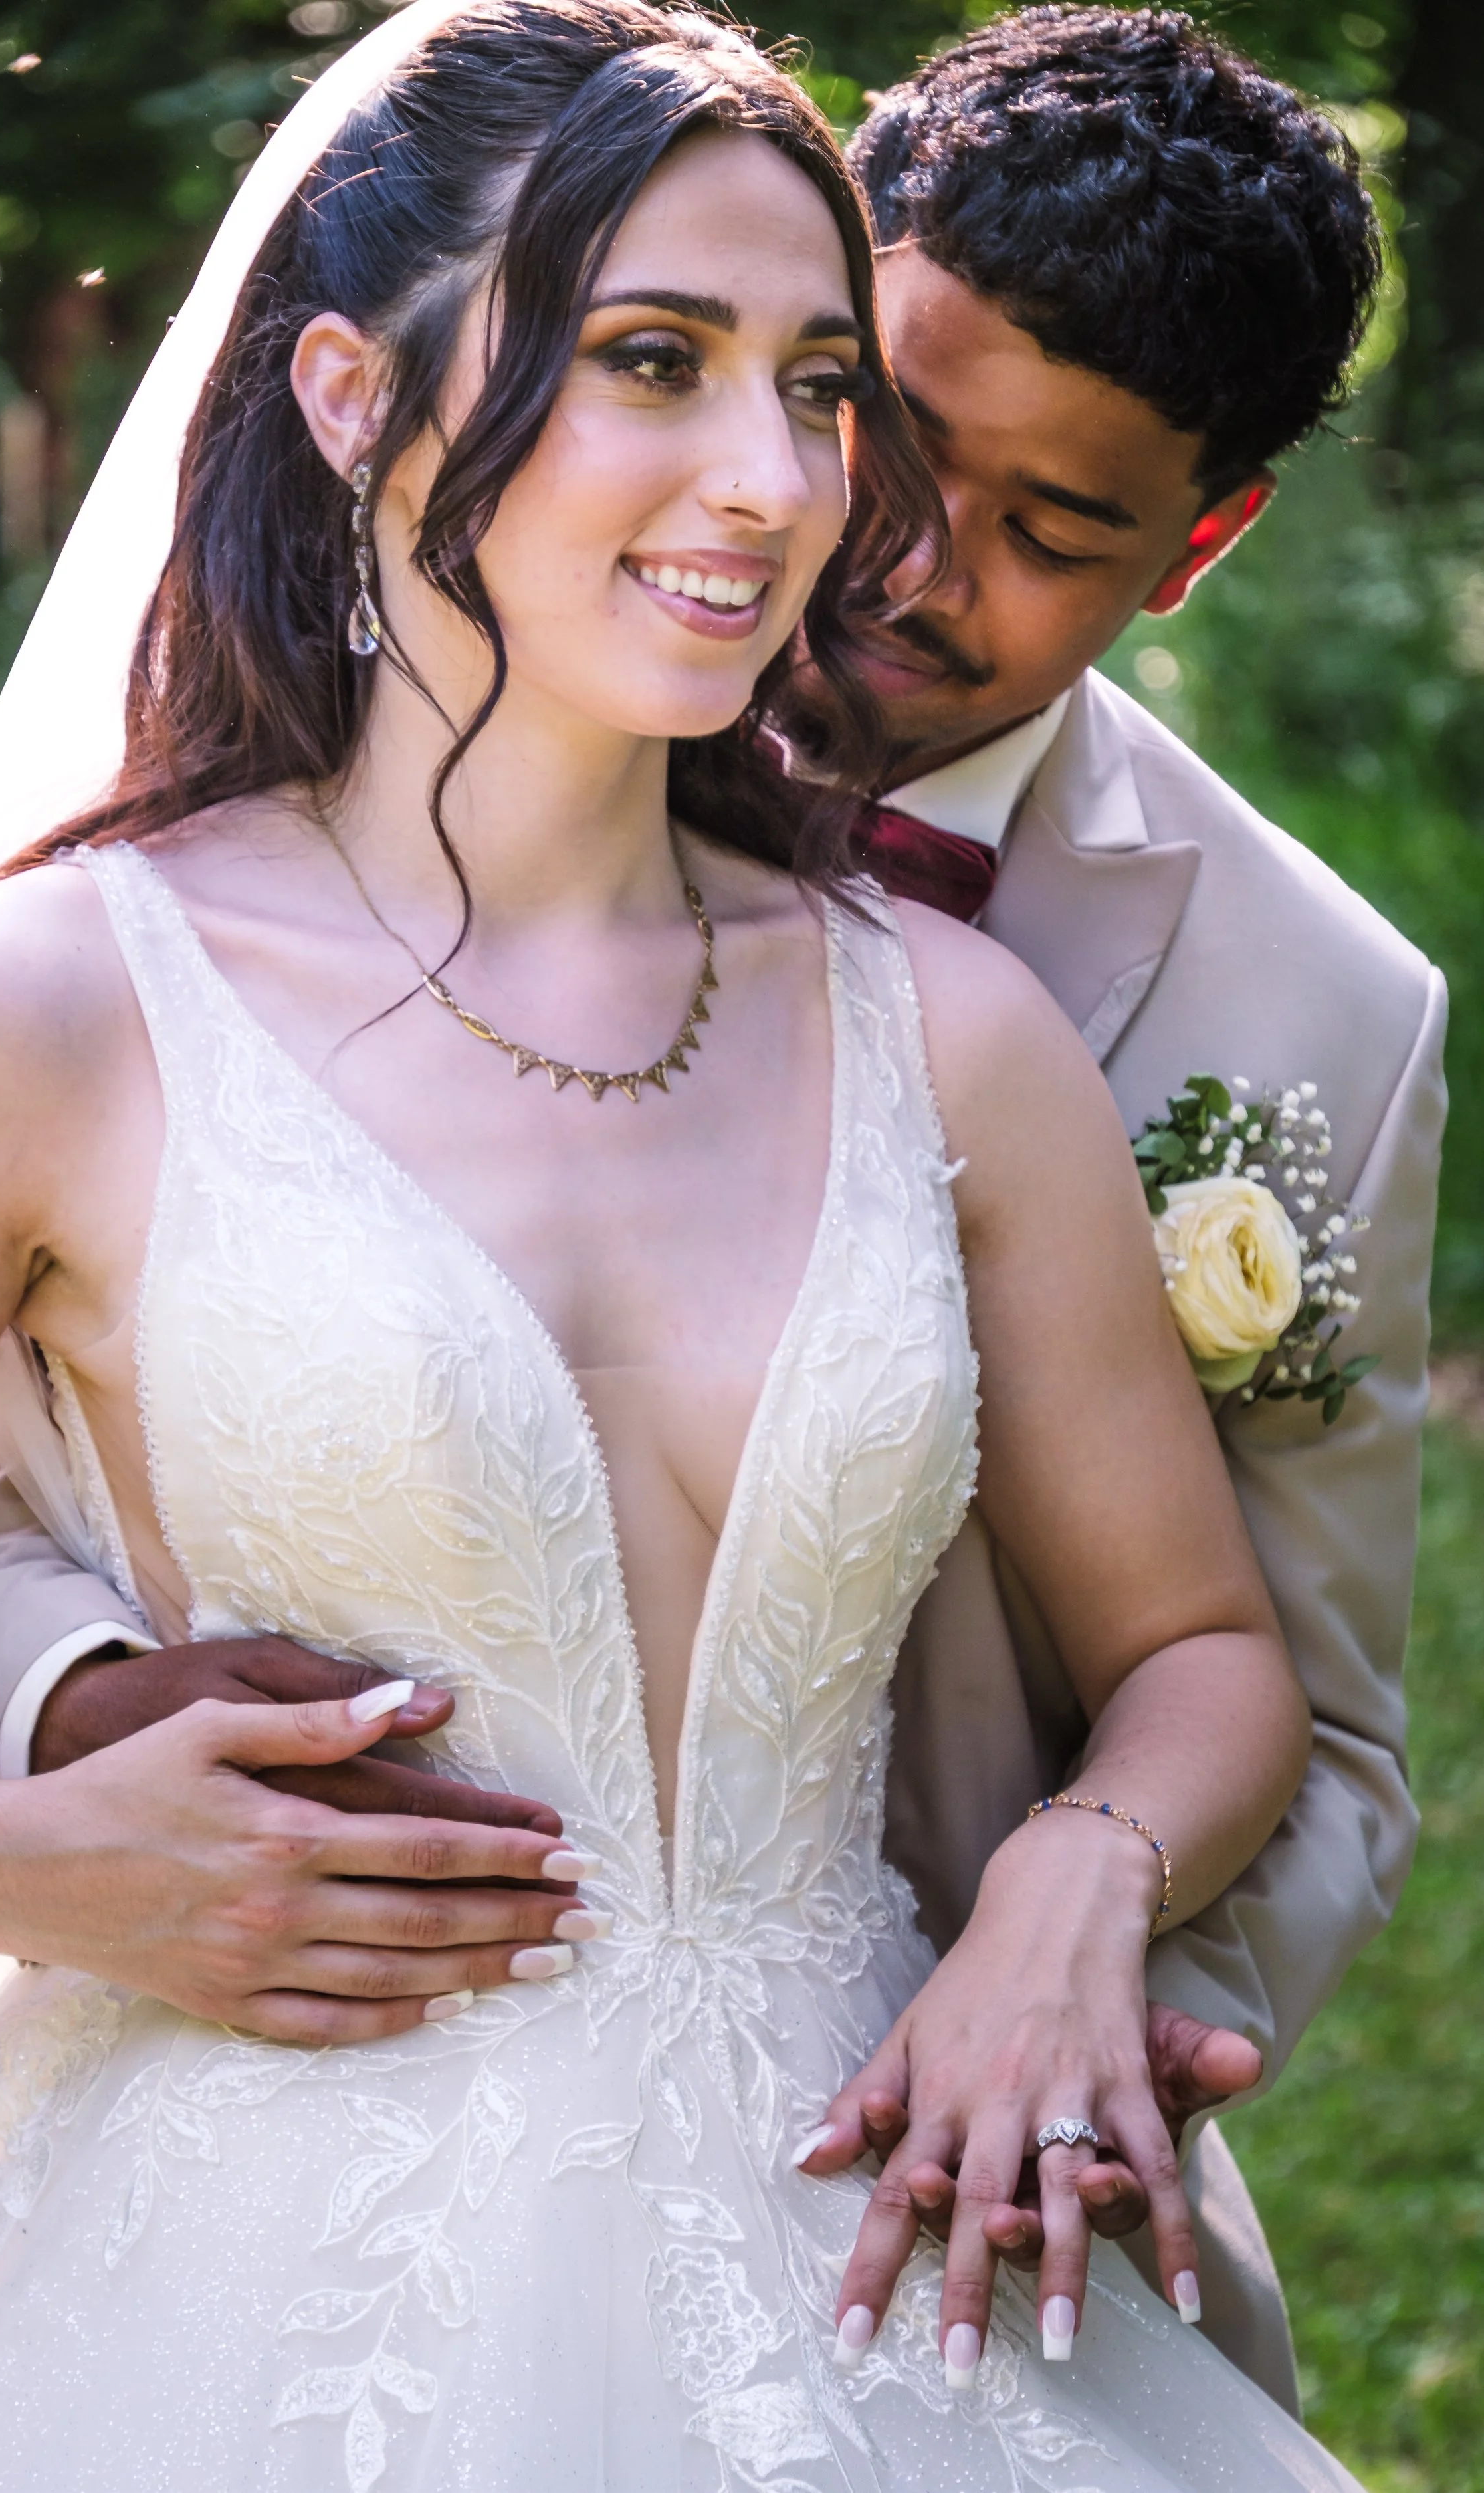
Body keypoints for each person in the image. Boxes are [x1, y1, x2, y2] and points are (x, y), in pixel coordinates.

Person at [0, 0, 1368, 2482]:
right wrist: (4, 1857)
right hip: (228, 2271)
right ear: (349, 393)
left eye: (815, 387)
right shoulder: (40, 1011)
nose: (777, 484)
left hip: (869, 2226)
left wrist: (1071, 1885)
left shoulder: (946, 1029)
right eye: (653, 360)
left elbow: (1205, 1648)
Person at [825, 7, 1444, 2415]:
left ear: (1200, 541)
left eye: (1052, 530)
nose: (907, 565)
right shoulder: (419, 754)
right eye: (883, 433)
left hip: (952, 2171)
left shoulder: (1320, 1016)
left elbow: (1328, 1722)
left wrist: (1089, 2029)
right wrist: (77, 1691)